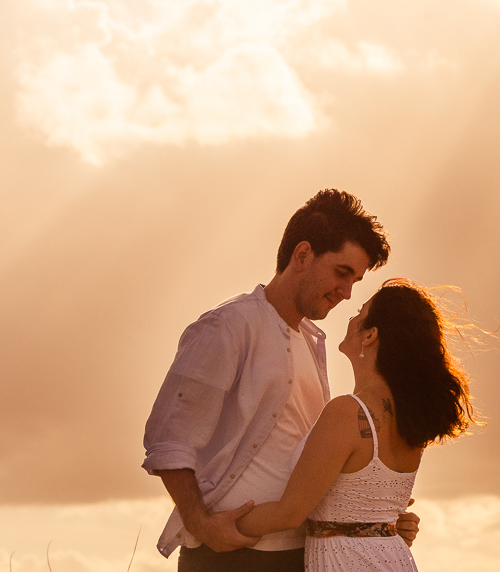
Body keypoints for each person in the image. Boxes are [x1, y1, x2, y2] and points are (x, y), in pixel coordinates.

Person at [142, 189, 419, 571]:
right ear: (302, 255)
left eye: (355, 280)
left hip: (301, 555)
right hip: (229, 559)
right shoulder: (228, 326)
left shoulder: (311, 343)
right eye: (342, 273)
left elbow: (315, 463)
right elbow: (170, 440)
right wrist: (200, 523)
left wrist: (375, 521)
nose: (346, 292)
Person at [232, 278, 477, 572]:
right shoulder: (410, 419)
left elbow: (290, 514)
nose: (351, 318)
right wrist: (389, 526)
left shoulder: (347, 412)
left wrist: (210, 526)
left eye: (359, 313)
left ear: (370, 334)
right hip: (391, 557)